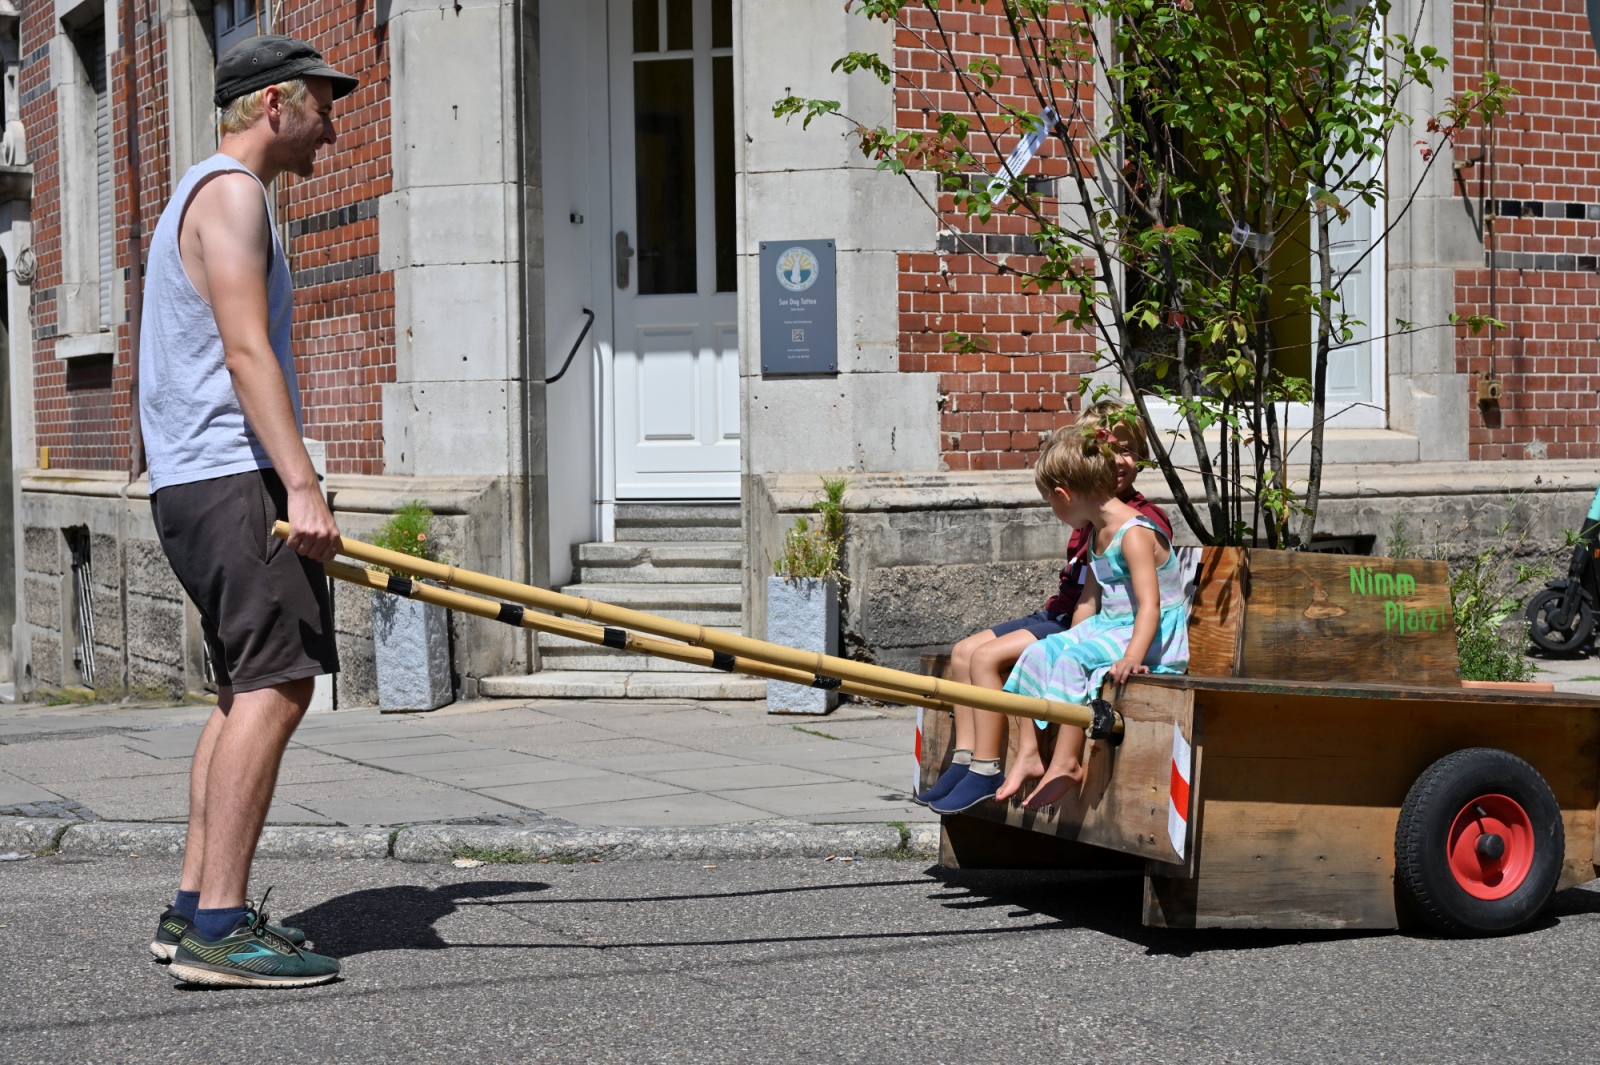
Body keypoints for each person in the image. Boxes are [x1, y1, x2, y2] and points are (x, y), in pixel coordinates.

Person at [141, 36, 358, 988]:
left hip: (195, 483)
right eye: (320, 101)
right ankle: (221, 930)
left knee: (242, 689)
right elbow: (244, 354)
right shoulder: (232, 193)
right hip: (232, 479)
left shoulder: (198, 192)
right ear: (274, 103)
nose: (332, 121)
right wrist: (300, 485)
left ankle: (191, 906)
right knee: (279, 684)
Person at [916, 401, 1171, 812]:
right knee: (964, 652)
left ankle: (987, 767)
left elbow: (1137, 600)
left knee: (986, 659)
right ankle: (965, 761)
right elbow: (1087, 593)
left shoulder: (1132, 523)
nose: (1118, 461)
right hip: (1064, 616)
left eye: (1127, 450)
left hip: (1107, 626)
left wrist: (1084, 641)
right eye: (1108, 452)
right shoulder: (1092, 522)